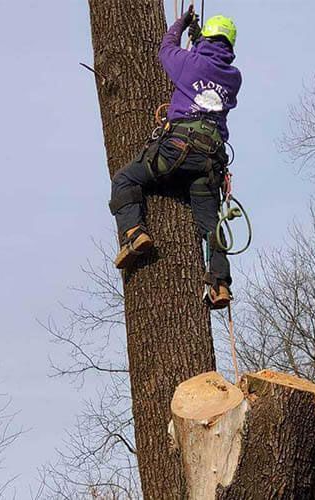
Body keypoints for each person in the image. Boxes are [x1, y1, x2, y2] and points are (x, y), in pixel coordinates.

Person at [108, 7, 242, 309]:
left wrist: (181, 24)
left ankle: (135, 234)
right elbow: (206, 67)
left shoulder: (188, 62)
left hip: (177, 148)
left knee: (125, 179)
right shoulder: (234, 78)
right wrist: (198, 41)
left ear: (206, 39)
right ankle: (219, 283)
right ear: (230, 46)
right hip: (209, 161)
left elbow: (166, 49)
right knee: (211, 226)